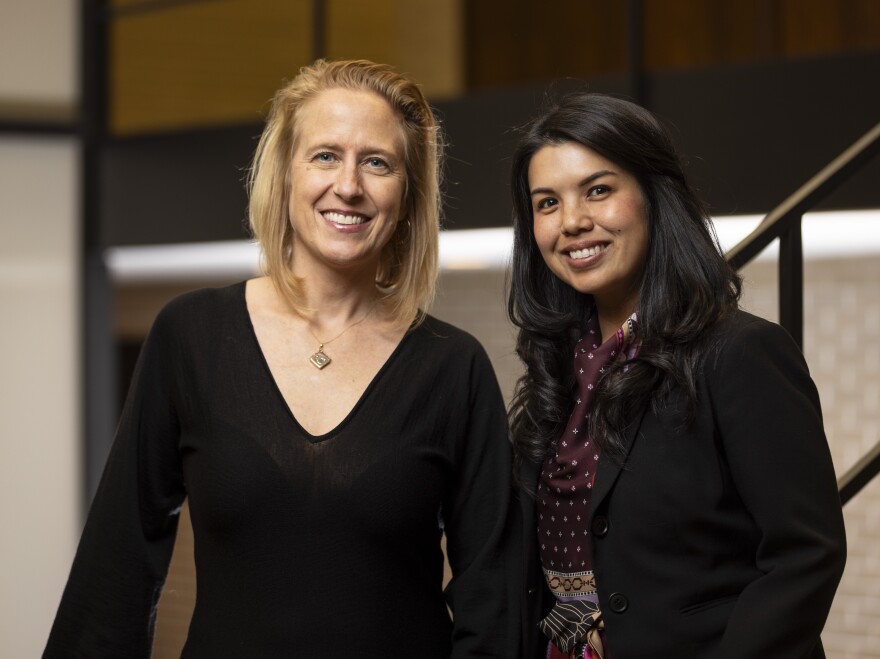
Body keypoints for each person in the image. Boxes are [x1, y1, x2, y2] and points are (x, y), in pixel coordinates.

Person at [45, 59, 516, 658]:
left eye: (377, 162)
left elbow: (492, 596)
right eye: (324, 155)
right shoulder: (191, 335)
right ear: (285, 175)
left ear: (408, 194)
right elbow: (117, 566)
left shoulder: (455, 366)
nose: (349, 185)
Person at [507, 92, 847, 658]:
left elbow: (805, 556)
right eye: (546, 203)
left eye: (598, 190)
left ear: (652, 196)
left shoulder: (741, 353)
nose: (572, 222)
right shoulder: (556, 370)